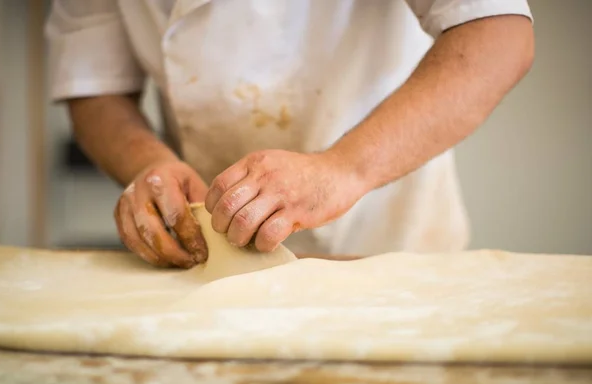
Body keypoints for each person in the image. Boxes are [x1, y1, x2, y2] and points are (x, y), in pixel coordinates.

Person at [46, 0, 534, 268]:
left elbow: (498, 34)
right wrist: (147, 165)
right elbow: (94, 85)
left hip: (388, 239)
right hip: (217, 264)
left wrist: (341, 168)